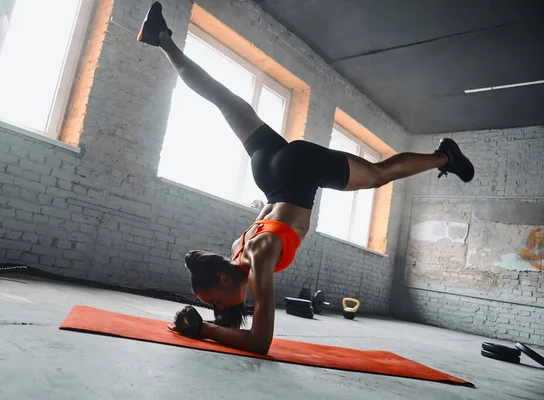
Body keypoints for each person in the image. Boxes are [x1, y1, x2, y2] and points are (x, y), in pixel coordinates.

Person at [137, 2, 474, 355]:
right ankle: (161, 38)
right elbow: (236, 314)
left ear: (224, 279)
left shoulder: (258, 256)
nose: (217, 308)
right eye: (214, 307)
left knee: (379, 175)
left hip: (299, 171)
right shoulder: (238, 253)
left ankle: (445, 155)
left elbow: (261, 343)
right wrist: (212, 322)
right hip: (269, 172)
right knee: (222, 98)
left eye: (215, 303)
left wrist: (204, 328)